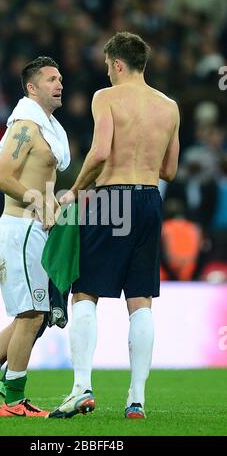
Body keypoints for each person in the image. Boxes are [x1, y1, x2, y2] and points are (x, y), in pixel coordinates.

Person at [48, 32, 180, 419]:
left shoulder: (105, 98)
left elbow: (101, 151)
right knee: (140, 301)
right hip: (149, 200)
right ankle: (136, 399)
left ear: (118, 64)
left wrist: (75, 189)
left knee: (85, 293)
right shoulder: (169, 106)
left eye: (108, 66)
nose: (106, 72)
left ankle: (81, 389)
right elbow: (169, 169)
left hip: (110, 200)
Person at [0, 56, 70, 417]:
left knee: (27, 315)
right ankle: (13, 399)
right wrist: (39, 202)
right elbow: (0, 177)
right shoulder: (24, 126)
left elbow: (38, 179)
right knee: (32, 317)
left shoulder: (47, 129)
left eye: (60, 78)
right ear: (32, 88)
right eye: (51, 79)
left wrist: (55, 202)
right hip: (20, 230)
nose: (59, 84)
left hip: (30, 230)